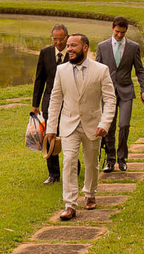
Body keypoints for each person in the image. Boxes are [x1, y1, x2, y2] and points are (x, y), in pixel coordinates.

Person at [44, 34, 116, 221]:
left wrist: (104, 124)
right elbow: (55, 100)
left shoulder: (101, 70)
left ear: (85, 48)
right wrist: (51, 128)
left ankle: (90, 193)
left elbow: (110, 100)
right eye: (68, 46)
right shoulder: (61, 70)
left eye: (73, 45)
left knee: (91, 162)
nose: (69, 49)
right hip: (69, 124)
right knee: (68, 161)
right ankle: (70, 204)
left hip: (93, 125)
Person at [96, 16, 144, 172]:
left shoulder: (133, 47)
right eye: (117, 32)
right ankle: (110, 159)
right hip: (108, 93)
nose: (119, 35)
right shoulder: (102, 46)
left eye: (123, 33)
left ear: (126, 31)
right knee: (109, 127)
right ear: (112, 28)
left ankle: (122, 158)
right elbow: (96, 71)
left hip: (126, 91)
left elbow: (140, 70)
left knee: (124, 125)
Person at [31, 24, 68, 184]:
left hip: (69, 103)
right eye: (55, 39)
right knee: (50, 135)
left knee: (68, 136)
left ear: (67, 37)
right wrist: (35, 104)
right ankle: (53, 174)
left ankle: (74, 167)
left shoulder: (73, 52)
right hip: (49, 101)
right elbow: (39, 79)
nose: (58, 42)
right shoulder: (45, 53)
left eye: (61, 39)